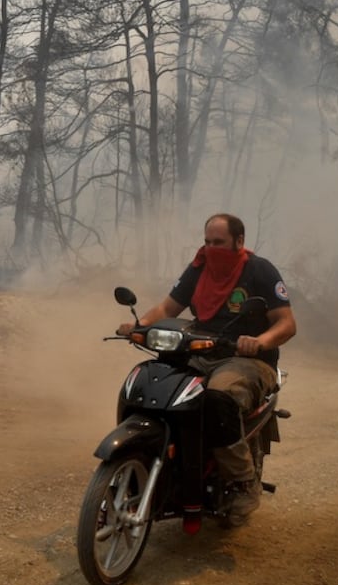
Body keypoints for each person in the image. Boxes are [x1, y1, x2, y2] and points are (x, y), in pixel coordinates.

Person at [117, 213, 297, 526]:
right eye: (207, 242)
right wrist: (139, 325)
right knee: (151, 383)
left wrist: (259, 341)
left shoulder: (260, 270)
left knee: (217, 398)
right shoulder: (199, 268)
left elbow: (286, 323)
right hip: (199, 351)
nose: (211, 249)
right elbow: (167, 308)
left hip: (247, 360)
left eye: (219, 243)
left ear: (239, 242)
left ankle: (242, 481)